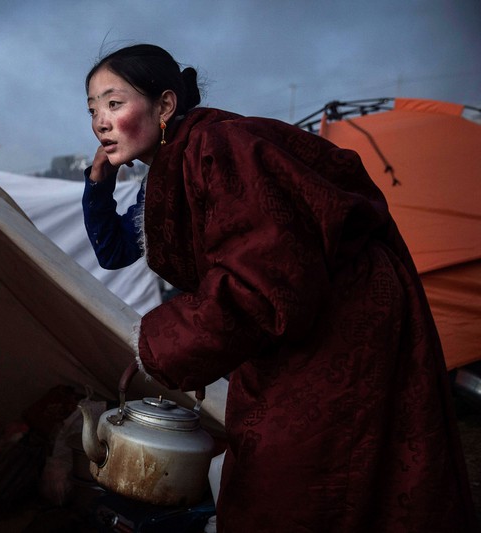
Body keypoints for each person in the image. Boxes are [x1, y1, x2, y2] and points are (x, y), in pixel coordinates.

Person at [82, 44, 477, 532]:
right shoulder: (168, 171)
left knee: (306, 478)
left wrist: (163, 345)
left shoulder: (218, 147)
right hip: (294, 327)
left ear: (164, 106)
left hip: (339, 327)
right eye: (93, 108)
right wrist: (98, 185)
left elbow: (263, 279)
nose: (100, 120)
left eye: (114, 103)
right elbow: (114, 251)